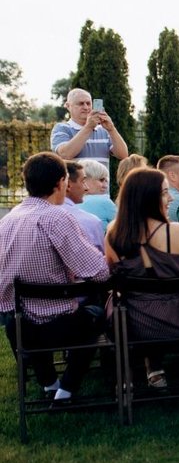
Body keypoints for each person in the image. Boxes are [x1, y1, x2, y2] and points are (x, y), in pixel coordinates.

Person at [0, 152, 110, 404]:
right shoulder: (57, 217)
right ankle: (66, 390)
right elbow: (98, 271)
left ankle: (50, 383)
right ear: (62, 183)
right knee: (96, 315)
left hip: (18, 326)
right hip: (61, 326)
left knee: (32, 316)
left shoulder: (7, 221)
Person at [105, 168, 179, 390]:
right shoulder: (177, 232)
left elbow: (113, 275)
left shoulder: (113, 234)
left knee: (119, 298)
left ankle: (131, 374)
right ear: (147, 197)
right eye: (164, 192)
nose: (170, 197)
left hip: (135, 325)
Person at [50, 88, 128, 168]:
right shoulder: (61, 128)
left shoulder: (104, 130)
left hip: (101, 180)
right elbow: (65, 155)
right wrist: (88, 127)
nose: (86, 107)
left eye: (88, 103)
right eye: (80, 104)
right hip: (75, 180)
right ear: (68, 106)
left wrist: (112, 129)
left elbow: (123, 155)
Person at [63, 162, 105, 254]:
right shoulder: (90, 222)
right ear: (68, 185)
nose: (86, 188)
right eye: (83, 181)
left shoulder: (25, 215)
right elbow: (98, 264)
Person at [78, 160, 117, 231]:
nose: (105, 186)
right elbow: (124, 226)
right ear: (85, 180)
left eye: (106, 181)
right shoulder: (104, 202)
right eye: (101, 180)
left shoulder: (69, 202)